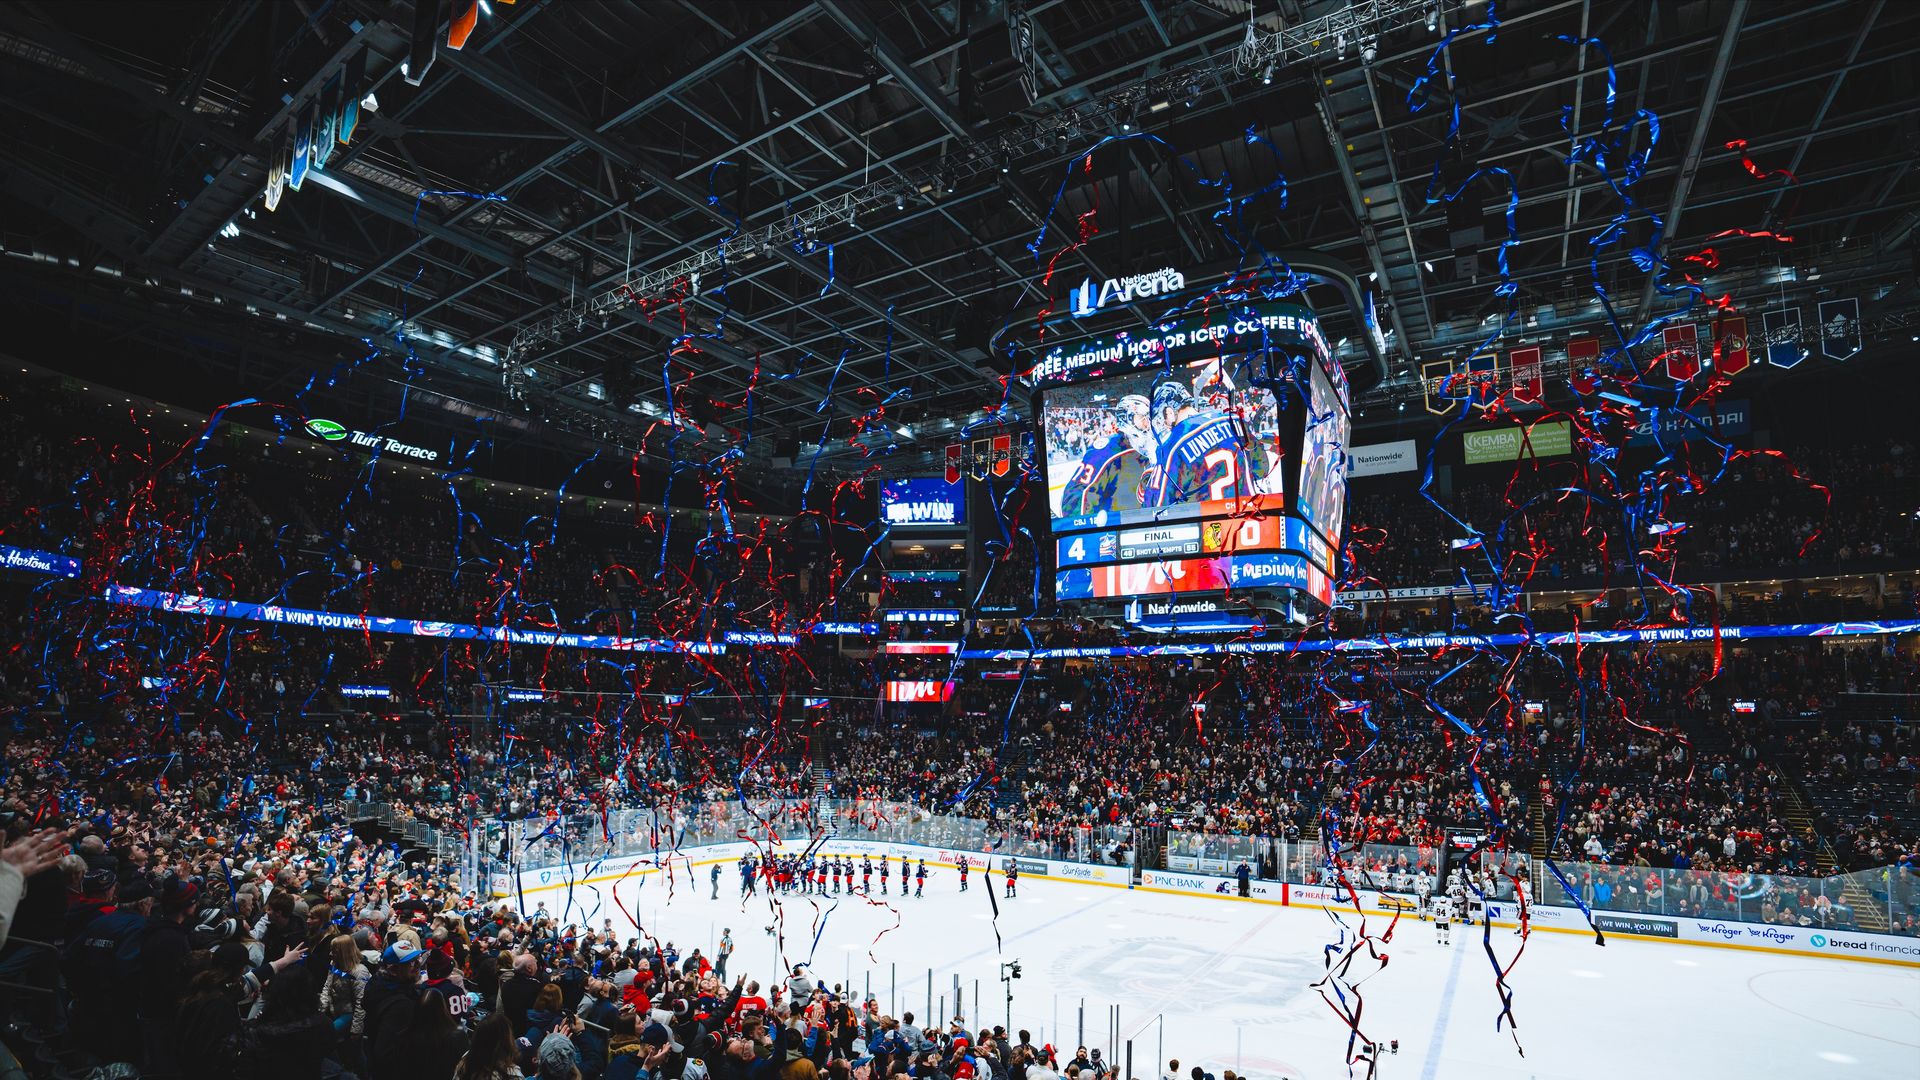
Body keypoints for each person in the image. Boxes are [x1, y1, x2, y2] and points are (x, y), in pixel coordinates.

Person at [1145, 378, 1258, 507]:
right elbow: (1261, 469)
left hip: (1210, 523)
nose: (1165, 424)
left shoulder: (1171, 445)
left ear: (1169, 412)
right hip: (1250, 515)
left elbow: (1157, 504)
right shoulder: (1233, 419)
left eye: (1163, 418)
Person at [1058, 395, 1152, 515]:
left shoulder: (1151, 449)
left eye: (1149, 418)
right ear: (1126, 418)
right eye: (1142, 418)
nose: (1147, 424)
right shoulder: (1108, 449)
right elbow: (1076, 495)